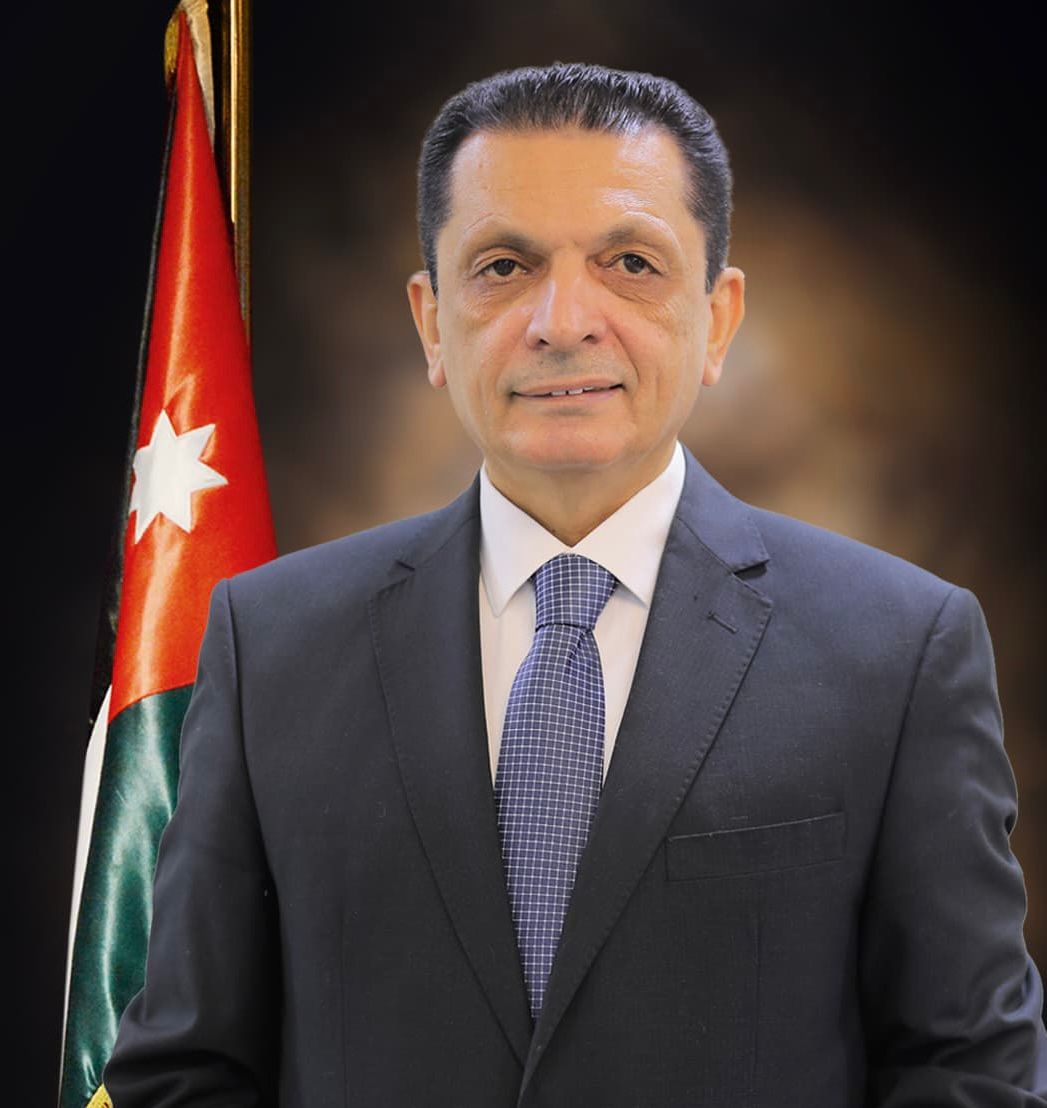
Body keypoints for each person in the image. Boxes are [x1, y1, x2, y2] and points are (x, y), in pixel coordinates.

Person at [105, 62, 1047, 1106]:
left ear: (718, 318)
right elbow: (185, 1072)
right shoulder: (270, 644)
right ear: (430, 321)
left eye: (630, 263)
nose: (562, 320)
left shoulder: (902, 651)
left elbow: (969, 1072)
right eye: (503, 266)